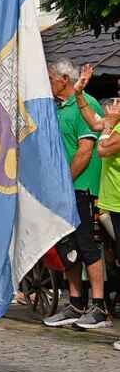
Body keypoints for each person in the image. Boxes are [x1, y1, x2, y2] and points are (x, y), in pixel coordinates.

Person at [55, 60, 112, 329]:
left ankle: (99, 305)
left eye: (51, 77)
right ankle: (76, 302)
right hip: (65, 187)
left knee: (88, 245)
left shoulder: (87, 103)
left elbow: (86, 151)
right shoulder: (61, 106)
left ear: (64, 78)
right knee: (69, 246)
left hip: (82, 186)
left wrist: (64, 182)